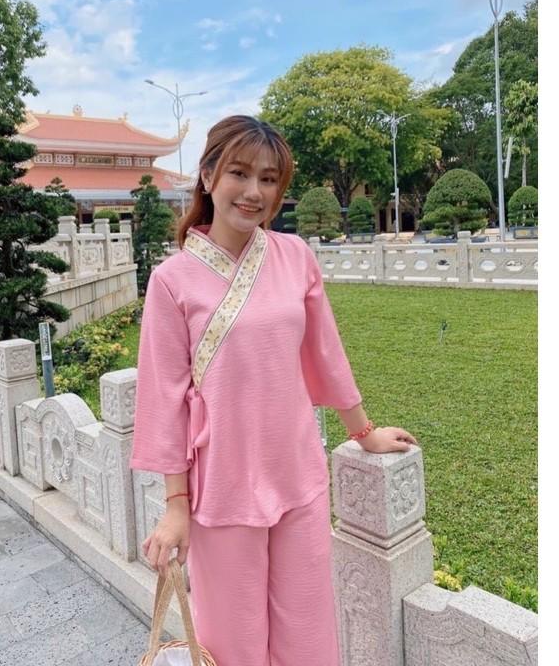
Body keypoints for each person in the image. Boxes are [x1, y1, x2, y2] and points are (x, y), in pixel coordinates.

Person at [129, 115, 418, 666]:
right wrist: (175, 506)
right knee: (233, 645)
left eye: (268, 179)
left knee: (309, 637)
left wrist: (364, 432)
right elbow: (164, 398)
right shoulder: (172, 281)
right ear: (209, 176)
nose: (254, 192)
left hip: (297, 476)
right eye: (239, 173)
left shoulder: (294, 256)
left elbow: (324, 353)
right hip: (222, 489)